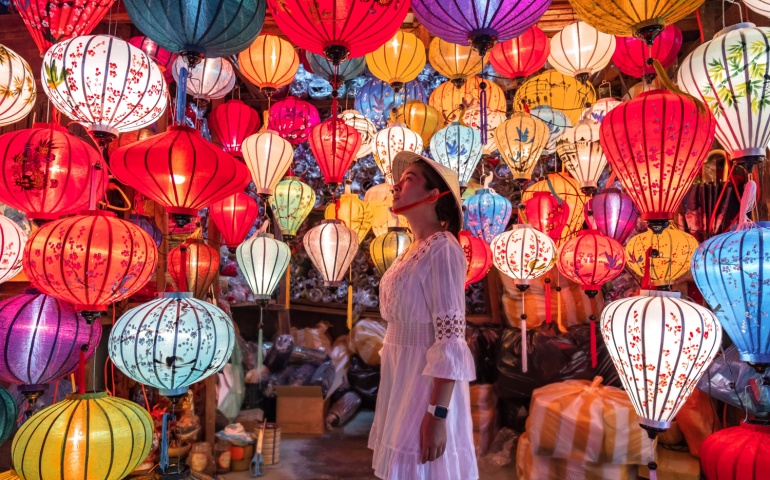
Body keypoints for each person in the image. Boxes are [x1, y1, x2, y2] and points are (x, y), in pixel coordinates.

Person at [368, 151, 478, 479]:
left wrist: (437, 414)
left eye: (409, 179)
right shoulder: (414, 248)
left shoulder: (443, 248)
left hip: (424, 382)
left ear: (432, 195)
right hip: (401, 376)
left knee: (423, 468)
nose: (396, 186)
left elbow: (451, 340)